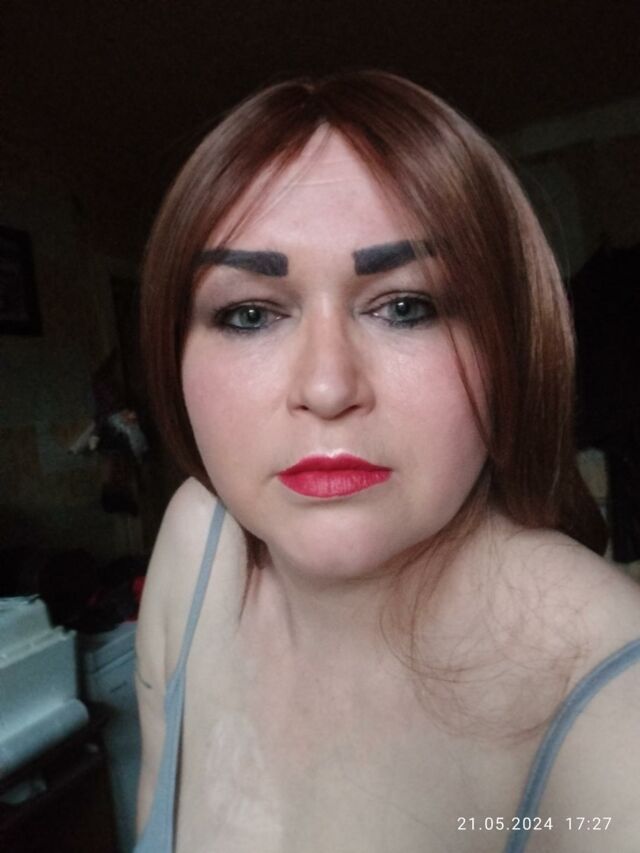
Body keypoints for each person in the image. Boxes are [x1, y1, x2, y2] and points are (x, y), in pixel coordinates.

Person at [133, 70, 640, 853]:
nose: (327, 387)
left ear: (510, 344)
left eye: (406, 306)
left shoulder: (609, 684)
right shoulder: (196, 544)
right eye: (250, 313)